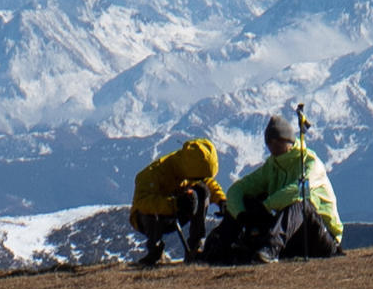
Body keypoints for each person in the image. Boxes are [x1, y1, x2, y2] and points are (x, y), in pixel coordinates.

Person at [202, 114, 344, 264]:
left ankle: (270, 249)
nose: (273, 147)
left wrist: (266, 206)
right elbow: (237, 189)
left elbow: (299, 190)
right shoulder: (272, 166)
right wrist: (241, 215)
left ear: (288, 141)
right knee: (250, 199)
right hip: (293, 239)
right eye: (270, 143)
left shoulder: (310, 162)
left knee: (301, 204)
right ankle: (222, 248)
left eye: (277, 142)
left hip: (321, 238)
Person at [128, 138, 227, 266]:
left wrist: (221, 200)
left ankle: (195, 248)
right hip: (150, 219)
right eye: (198, 178)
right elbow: (142, 203)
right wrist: (174, 204)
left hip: (179, 209)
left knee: (203, 191)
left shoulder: (191, 167)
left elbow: (208, 183)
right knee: (150, 212)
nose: (200, 179)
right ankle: (155, 252)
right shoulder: (152, 174)